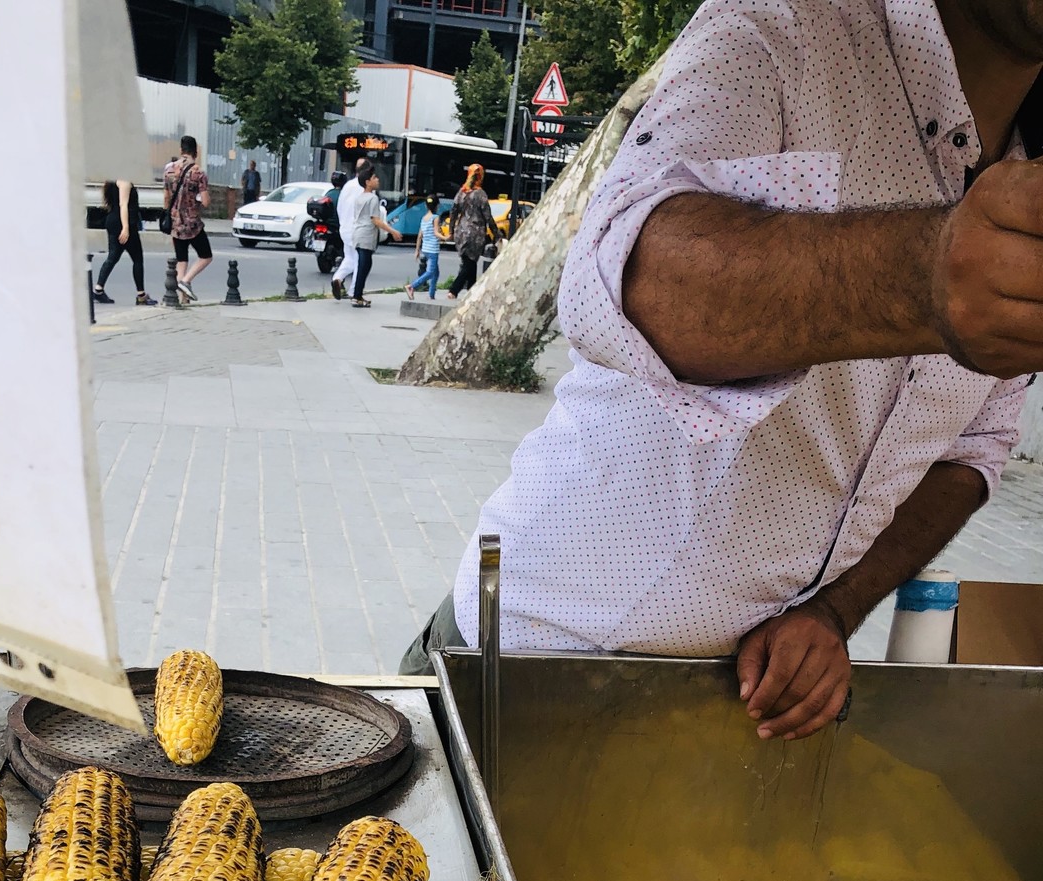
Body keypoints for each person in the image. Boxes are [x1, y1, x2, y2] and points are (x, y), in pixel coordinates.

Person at [402, 0, 1043, 741]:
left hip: (726, 713)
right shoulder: (786, 28)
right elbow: (618, 273)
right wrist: (921, 272)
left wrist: (837, 607)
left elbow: (976, 448)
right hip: (519, 666)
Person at [164, 135, 212, 304]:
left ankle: (181, 297)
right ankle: (185, 282)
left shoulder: (169, 170)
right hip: (193, 224)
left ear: (181, 150)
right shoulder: (198, 173)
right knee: (206, 256)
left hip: (175, 222)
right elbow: (205, 201)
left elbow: (167, 197)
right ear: (196, 152)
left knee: (181, 259)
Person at [93, 180, 156, 305]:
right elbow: (123, 205)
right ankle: (141, 295)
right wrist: (126, 228)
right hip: (124, 224)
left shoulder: (113, 181)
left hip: (113, 221)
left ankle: (98, 290)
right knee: (137, 259)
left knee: (113, 257)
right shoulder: (124, 182)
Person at [349, 164, 398, 307]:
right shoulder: (372, 198)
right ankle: (357, 296)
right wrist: (393, 231)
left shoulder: (359, 197)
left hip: (358, 234)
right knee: (364, 266)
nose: (377, 180)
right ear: (367, 182)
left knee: (363, 265)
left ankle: (357, 295)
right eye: (374, 178)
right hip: (366, 236)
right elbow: (375, 220)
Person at [447, 164, 497, 299]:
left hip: (460, 232)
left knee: (469, 262)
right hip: (475, 234)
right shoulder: (480, 194)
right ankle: (454, 290)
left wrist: (451, 230)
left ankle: (471, 291)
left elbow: (453, 211)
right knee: (469, 263)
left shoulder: (461, 192)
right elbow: (488, 216)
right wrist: (496, 234)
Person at [331, 158, 369, 300]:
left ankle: (338, 278)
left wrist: (343, 223)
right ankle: (354, 291)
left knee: (350, 258)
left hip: (345, 228)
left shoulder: (347, 185)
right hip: (358, 230)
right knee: (360, 261)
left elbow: (340, 207)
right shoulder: (364, 188)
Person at [406, 196, 442, 302]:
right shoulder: (436, 217)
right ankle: (412, 286)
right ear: (437, 206)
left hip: (425, 249)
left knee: (436, 273)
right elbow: (436, 233)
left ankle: (431, 295)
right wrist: (446, 237)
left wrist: (417, 250)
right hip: (433, 250)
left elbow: (420, 235)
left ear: (426, 206)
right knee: (430, 272)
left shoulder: (424, 218)